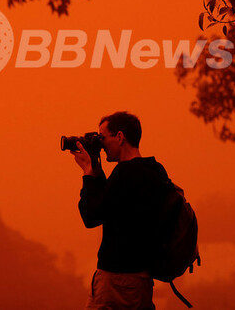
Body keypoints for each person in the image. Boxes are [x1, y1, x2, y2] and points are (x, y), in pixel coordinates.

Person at [70, 111, 170, 310]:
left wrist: (88, 174)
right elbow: (115, 205)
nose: (101, 144)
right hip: (142, 278)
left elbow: (91, 216)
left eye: (102, 138)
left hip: (116, 280)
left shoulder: (125, 173)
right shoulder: (155, 170)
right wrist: (99, 175)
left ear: (120, 137)